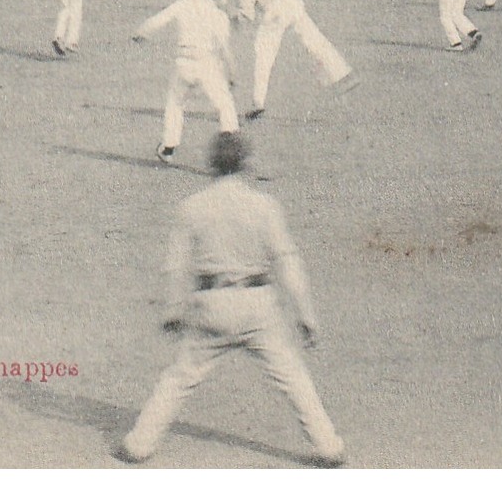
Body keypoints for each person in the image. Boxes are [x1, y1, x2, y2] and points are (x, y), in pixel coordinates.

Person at [119, 132, 345, 467]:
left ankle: (139, 444)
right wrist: (306, 315)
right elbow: (288, 263)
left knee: (180, 377)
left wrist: (173, 310)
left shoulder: (191, 207)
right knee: (293, 376)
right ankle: (327, 446)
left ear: (211, 165)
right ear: (245, 164)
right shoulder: (265, 206)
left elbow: (176, 266)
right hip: (258, 305)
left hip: (211, 305)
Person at [226, 0, 357, 120]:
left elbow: (248, 15)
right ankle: (342, 73)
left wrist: (234, 17)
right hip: (292, 2)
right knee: (315, 40)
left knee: (263, 56)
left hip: (274, 12)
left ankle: (258, 102)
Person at [132, 0, 239, 164]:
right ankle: (229, 140)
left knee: (175, 103)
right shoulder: (218, 14)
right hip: (208, 64)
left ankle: (169, 146)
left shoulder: (183, 4)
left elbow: (158, 20)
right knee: (225, 104)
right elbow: (224, 47)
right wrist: (232, 72)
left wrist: (142, 32)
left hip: (183, 63)